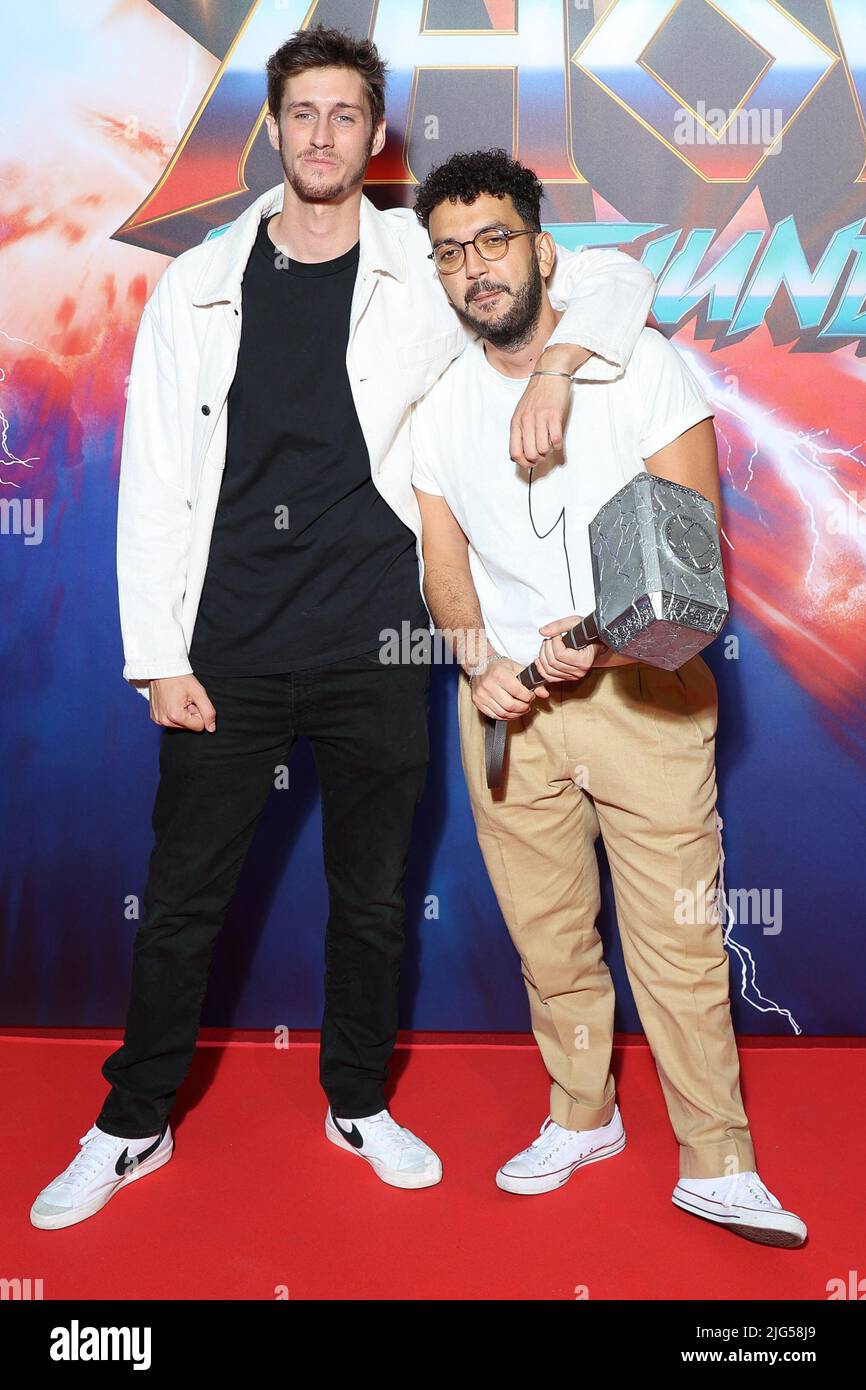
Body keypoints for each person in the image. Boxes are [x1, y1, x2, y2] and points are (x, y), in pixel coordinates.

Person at [30, 30, 654, 1229]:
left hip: (382, 645)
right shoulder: (198, 283)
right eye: (300, 113)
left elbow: (611, 276)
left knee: (370, 899)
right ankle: (133, 1119)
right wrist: (155, 654)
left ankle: (356, 1098)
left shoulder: (421, 269)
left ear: (376, 138)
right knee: (180, 902)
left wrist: (556, 367)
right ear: (272, 129)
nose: (321, 134)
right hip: (229, 648)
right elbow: (157, 478)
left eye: (344, 116)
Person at [411, 149, 806, 1247]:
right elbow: (442, 560)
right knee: (548, 939)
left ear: (543, 250)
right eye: (451, 252)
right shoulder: (438, 408)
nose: (475, 267)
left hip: (644, 696)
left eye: (493, 239)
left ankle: (717, 1158)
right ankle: (580, 1116)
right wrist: (472, 656)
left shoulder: (640, 368)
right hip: (507, 714)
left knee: (676, 938)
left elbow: (693, 552)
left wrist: (589, 637)